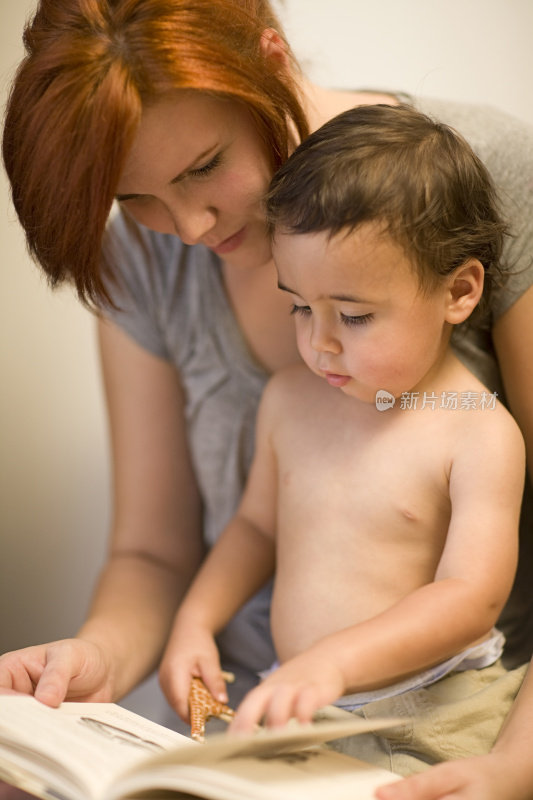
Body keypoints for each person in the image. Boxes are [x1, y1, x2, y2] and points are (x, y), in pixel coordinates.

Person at [0, 1, 532, 797]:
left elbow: (471, 592)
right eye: (134, 198)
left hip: (450, 722)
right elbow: (160, 549)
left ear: (269, 61)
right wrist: (105, 653)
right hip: (260, 712)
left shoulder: (471, 183)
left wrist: (512, 768)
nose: (185, 226)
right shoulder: (261, 369)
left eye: (203, 166)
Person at [167, 103, 527, 772]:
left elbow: (471, 599)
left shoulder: (476, 431)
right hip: (302, 711)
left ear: (458, 291)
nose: (319, 342)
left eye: (355, 316)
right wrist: (194, 620)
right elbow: (253, 529)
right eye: (300, 306)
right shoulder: (288, 400)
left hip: (432, 713)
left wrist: (333, 660)